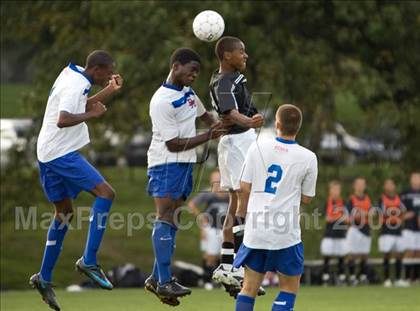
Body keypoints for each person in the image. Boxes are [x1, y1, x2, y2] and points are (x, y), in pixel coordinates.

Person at [30, 50, 123, 310]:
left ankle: (43, 278)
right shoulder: (77, 83)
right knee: (106, 193)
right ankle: (89, 261)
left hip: (47, 152)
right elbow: (64, 119)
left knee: (65, 213)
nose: (108, 76)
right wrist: (93, 115)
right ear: (96, 69)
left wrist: (108, 92)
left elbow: (78, 102)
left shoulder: (73, 72)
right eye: (106, 73)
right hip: (60, 154)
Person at [144, 47, 225, 306]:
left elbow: (204, 115)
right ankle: (164, 280)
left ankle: (157, 278)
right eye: (191, 71)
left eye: (197, 73)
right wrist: (210, 135)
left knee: (174, 219)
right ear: (176, 66)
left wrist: (219, 126)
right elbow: (173, 144)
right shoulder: (161, 100)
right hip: (166, 163)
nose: (194, 76)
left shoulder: (188, 93)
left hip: (185, 165)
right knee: (165, 216)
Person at [233, 104, 318, 311]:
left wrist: (241, 214)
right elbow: (307, 199)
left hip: (256, 230)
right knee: (289, 288)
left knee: (249, 287)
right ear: (298, 127)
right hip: (285, 232)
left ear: (277, 124)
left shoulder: (258, 147)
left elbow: (244, 187)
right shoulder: (308, 157)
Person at [209, 36, 264, 293]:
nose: (246, 55)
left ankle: (227, 265)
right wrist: (249, 121)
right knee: (245, 199)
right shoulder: (223, 82)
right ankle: (243, 267)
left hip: (234, 143)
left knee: (235, 202)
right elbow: (230, 113)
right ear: (227, 56)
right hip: (238, 143)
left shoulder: (228, 78)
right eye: (241, 51)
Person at [188, 170, 229, 290]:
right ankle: (207, 279)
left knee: (224, 255)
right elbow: (192, 205)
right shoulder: (208, 193)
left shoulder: (228, 194)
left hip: (225, 228)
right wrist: (201, 218)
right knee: (210, 255)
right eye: (215, 181)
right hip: (211, 227)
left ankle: (222, 280)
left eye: (220, 181)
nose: (218, 183)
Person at [378, 178, 407, 287]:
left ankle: (398, 278)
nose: (390, 187)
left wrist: (400, 220)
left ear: (394, 186)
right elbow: (380, 214)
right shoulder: (382, 199)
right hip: (387, 231)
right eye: (387, 184)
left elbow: (404, 211)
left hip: (398, 231)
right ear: (385, 187)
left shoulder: (398, 199)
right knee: (387, 254)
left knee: (399, 254)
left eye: (391, 184)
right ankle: (386, 279)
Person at [320, 180, 349, 286]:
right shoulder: (327, 202)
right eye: (334, 189)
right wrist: (339, 217)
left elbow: (347, 219)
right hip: (329, 234)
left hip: (341, 234)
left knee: (341, 256)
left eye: (337, 189)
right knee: (327, 256)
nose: (336, 191)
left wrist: (335, 217)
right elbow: (327, 218)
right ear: (330, 190)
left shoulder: (344, 202)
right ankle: (325, 277)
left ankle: (341, 277)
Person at [346, 177, 372, 285]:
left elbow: (373, 213)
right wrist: (364, 214)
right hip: (355, 229)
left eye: (363, 184)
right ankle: (352, 277)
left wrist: (362, 214)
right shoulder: (351, 199)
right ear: (354, 186)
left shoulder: (367, 198)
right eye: (358, 184)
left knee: (364, 254)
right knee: (353, 254)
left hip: (366, 228)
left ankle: (362, 276)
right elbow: (351, 217)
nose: (361, 186)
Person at [400, 172, 420, 284]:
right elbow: (399, 211)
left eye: (418, 177)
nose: (417, 179)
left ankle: (416, 278)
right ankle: (406, 278)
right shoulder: (405, 193)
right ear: (411, 180)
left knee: (418, 252)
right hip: (409, 227)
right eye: (415, 177)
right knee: (409, 251)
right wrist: (405, 215)